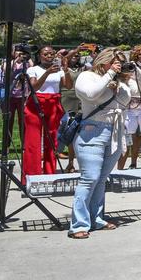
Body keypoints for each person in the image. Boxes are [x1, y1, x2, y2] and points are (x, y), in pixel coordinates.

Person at [69, 49, 132, 239]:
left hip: (115, 131)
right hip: (92, 132)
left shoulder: (118, 81)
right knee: (90, 178)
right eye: (115, 62)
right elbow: (91, 94)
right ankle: (78, 224)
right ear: (104, 61)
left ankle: (96, 218)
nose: (119, 65)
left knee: (102, 178)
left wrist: (129, 75)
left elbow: (134, 96)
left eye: (121, 62)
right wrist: (110, 74)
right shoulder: (86, 76)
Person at [25, 46, 74, 176]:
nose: (49, 56)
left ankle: (49, 172)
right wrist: (47, 73)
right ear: (40, 56)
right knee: (33, 140)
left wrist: (65, 69)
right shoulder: (33, 69)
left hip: (53, 103)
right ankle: (32, 174)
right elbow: (34, 87)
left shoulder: (59, 70)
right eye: (45, 54)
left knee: (52, 139)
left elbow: (68, 86)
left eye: (51, 54)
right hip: (36, 103)